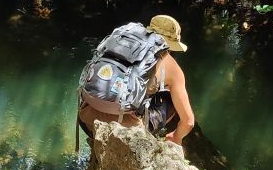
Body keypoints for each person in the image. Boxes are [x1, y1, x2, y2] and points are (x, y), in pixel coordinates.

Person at [77, 14, 196, 147]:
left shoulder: (120, 42)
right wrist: (176, 137)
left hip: (86, 119)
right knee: (171, 99)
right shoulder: (173, 68)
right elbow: (188, 122)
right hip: (125, 131)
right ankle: (145, 132)